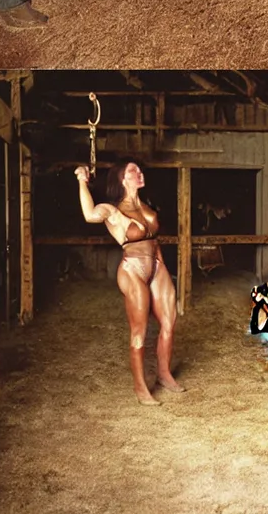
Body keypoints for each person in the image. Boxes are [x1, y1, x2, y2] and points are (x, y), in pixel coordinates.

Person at [75, 160, 186, 405]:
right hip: (132, 269)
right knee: (140, 330)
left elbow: (153, 240)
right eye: (133, 171)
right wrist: (82, 181)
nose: (140, 173)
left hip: (156, 265)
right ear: (122, 179)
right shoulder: (113, 211)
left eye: (140, 170)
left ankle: (165, 374)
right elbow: (89, 214)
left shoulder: (146, 207)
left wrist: (161, 266)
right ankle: (140, 388)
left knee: (169, 321)